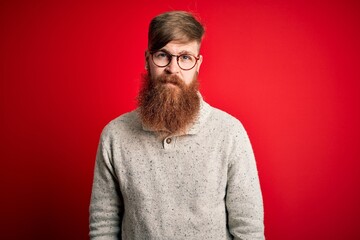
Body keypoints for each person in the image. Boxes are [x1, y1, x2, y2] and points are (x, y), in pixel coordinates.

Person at [89, 10, 265, 240]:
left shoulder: (230, 133)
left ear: (198, 63)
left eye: (185, 57)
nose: (173, 69)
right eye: (163, 55)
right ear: (147, 59)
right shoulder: (115, 135)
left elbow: (249, 230)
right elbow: (103, 226)